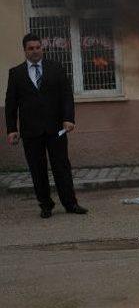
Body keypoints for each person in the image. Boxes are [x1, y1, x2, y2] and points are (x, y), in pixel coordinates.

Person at [4, 33, 87, 218]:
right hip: (31, 131)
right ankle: (46, 205)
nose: (35, 51)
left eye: (37, 47)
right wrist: (11, 129)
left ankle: (70, 203)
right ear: (25, 51)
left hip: (56, 128)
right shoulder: (16, 73)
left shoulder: (56, 68)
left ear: (42, 48)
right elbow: (11, 104)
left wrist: (69, 119)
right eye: (30, 48)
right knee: (37, 169)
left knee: (62, 166)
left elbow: (66, 96)